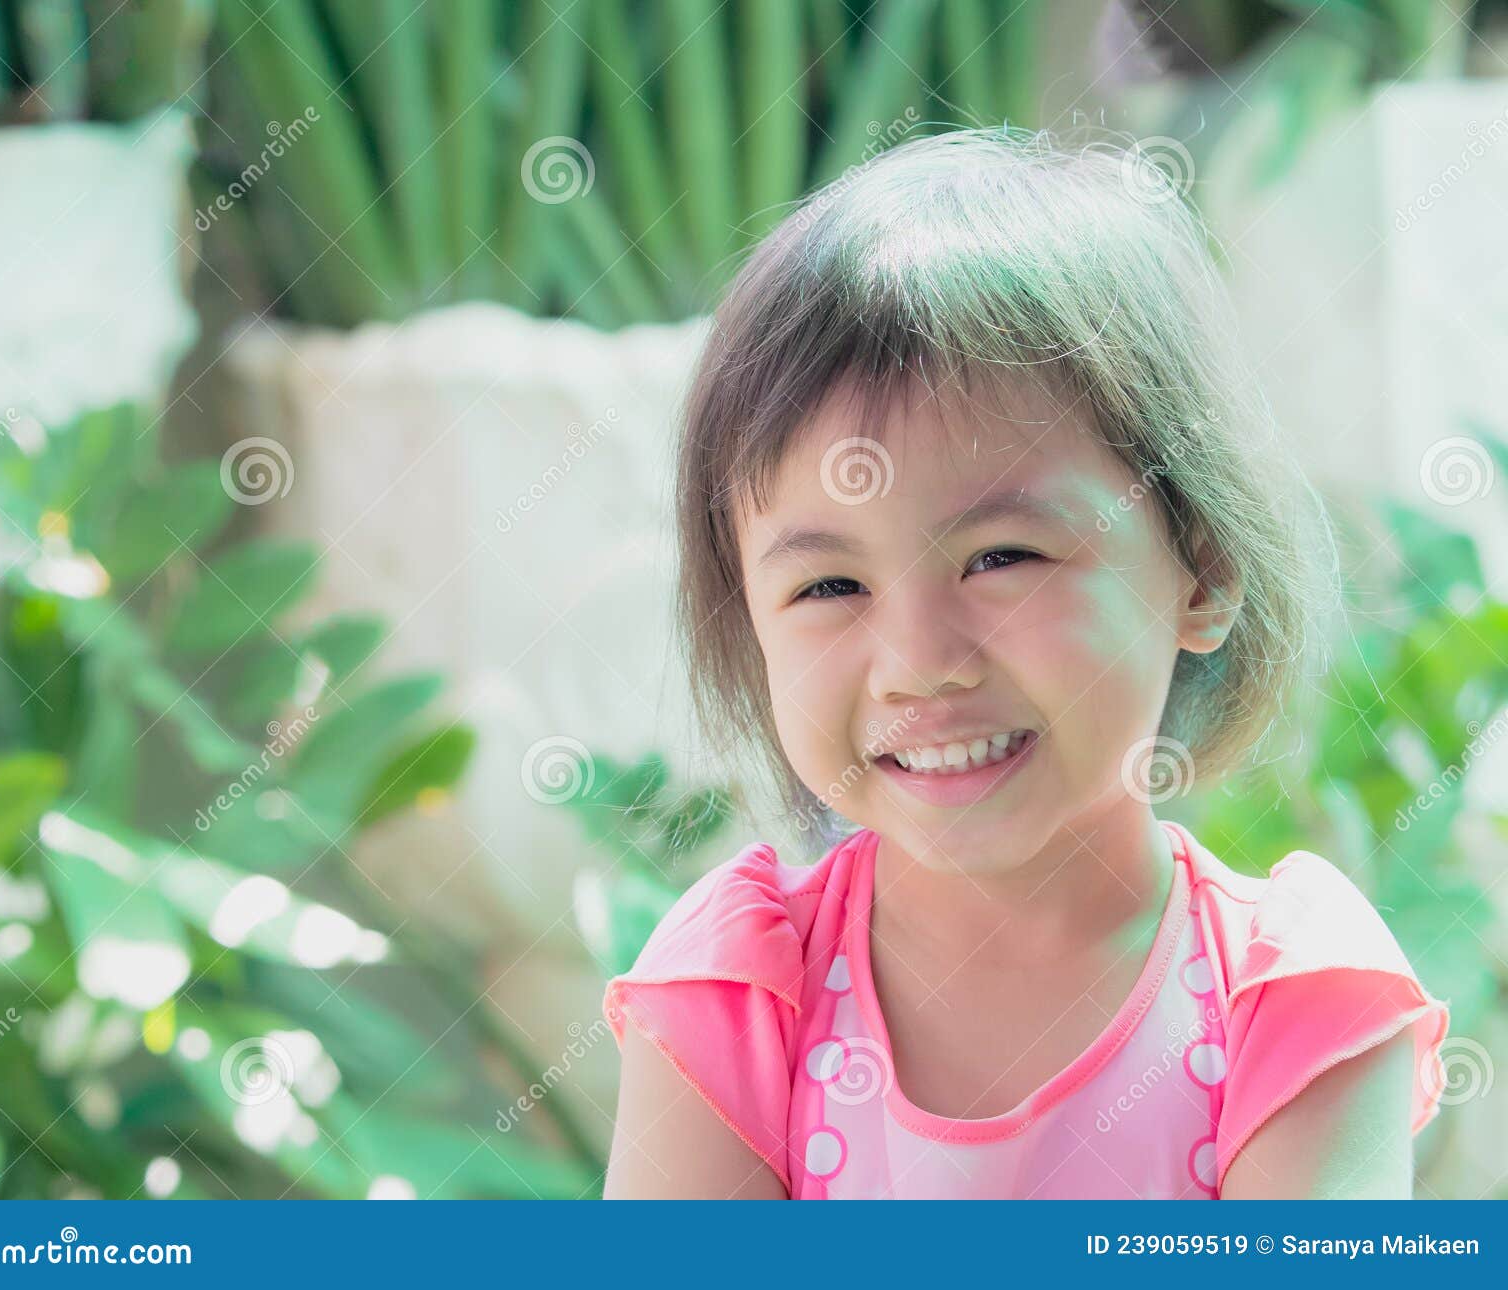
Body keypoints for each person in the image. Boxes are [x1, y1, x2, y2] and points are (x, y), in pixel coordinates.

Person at [601, 127, 1449, 1200]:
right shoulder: (738, 991)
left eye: (1001, 558)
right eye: (828, 587)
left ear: (1201, 567)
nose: (919, 664)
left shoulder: (1290, 1002)